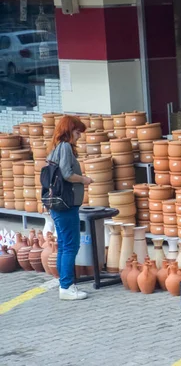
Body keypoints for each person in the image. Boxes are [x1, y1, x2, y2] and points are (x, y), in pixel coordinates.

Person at [47, 115, 93, 300]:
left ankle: (64, 283)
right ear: (69, 131)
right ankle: (66, 287)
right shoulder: (65, 147)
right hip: (66, 205)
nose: (79, 136)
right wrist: (84, 179)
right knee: (71, 246)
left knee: (64, 245)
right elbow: (66, 174)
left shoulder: (55, 148)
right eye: (77, 132)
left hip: (58, 205)